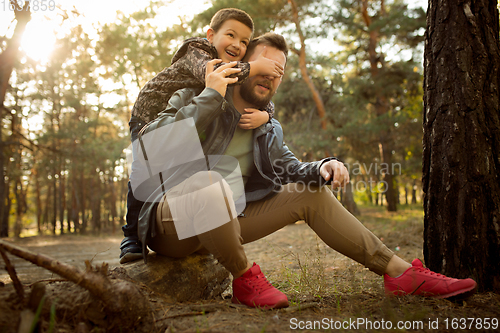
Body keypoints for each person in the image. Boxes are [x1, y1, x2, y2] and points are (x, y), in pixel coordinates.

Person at [135, 33, 477, 309]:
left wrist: (325, 165)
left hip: (228, 222)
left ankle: (400, 273)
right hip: (173, 223)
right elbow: (153, 146)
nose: (271, 74)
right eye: (265, 64)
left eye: (279, 71)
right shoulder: (195, 95)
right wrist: (210, 97)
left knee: (310, 191)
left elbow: (292, 168)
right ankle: (244, 276)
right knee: (209, 182)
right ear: (240, 64)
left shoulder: (266, 127)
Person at [120, 8, 285, 263]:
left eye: (244, 42)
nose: (237, 44)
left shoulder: (230, 65)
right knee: (144, 170)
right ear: (210, 34)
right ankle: (131, 236)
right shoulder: (196, 51)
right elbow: (221, 75)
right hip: (149, 116)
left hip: (181, 115)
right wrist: (255, 66)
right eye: (230, 35)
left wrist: (267, 116)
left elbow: (254, 96)